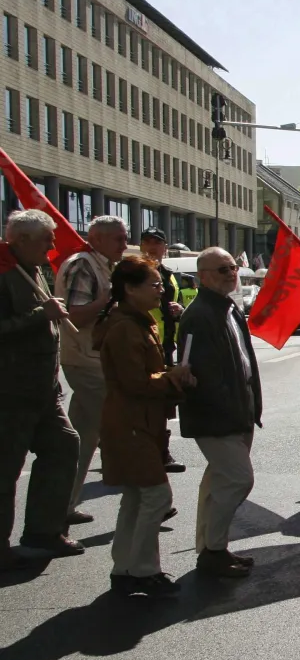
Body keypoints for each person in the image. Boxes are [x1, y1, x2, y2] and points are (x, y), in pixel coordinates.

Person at [95, 256, 196, 598]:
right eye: (153, 285)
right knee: (156, 496)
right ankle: (142, 571)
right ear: (130, 289)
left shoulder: (138, 322)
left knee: (137, 498)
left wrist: (167, 373)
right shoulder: (125, 327)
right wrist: (171, 377)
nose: (161, 290)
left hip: (138, 421)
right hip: (131, 422)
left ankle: (125, 568)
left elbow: (142, 374)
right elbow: (135, 382)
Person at [0, 210, 83, 565]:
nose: (52, 246)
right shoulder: (4, 272)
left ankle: (44, 530)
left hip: (43, 390)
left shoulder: (32, 269)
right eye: (46, 239)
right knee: (5, 469)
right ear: (20, 240)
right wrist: (41, 315)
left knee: (64, 445)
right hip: (9, 392)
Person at [179, 247, 260, 579]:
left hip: (238, 412)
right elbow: (205, 377)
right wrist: (232, 413)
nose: (231, 273)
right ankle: (213, 550)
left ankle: (214, 548)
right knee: (240, 479)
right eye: (222, 269)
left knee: (218, 484)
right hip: (219, 418)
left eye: (233, 267)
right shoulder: (199, 314)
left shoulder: (228, 308)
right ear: (203, 277)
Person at [55, 215, 127, 525]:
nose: (124, 245)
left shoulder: (103, 265)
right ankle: (148, 495)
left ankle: (62, 505)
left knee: (84, 438)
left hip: (93, 359)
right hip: (86, 361)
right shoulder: (83, 265)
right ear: (96, 238)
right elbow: (76, 316)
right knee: (119, 427)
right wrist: (111, 299)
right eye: (118, 239)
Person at [138, 227, 186, 476]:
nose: (151, 246)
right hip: (143, 341)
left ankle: (160, 450)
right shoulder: (135, 272)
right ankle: (152, 452)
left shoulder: (169, 275)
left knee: (164, 400)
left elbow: (171, 304)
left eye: (156, 242)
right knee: (145, 398)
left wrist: (179, 310)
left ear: (165, 247)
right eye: (146, 242)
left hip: (165, 345)